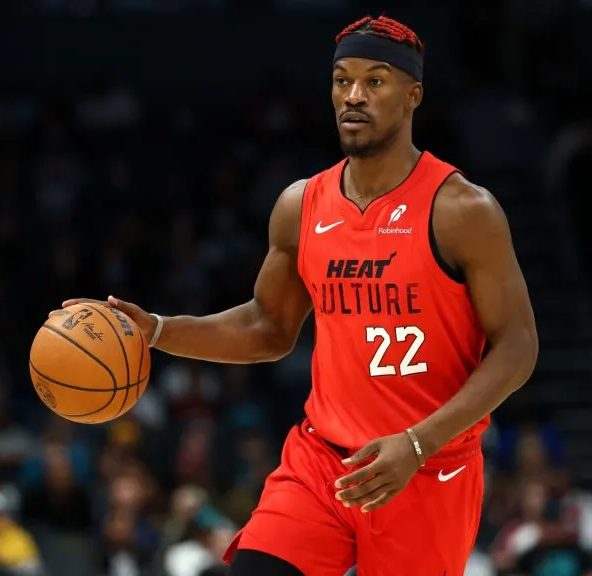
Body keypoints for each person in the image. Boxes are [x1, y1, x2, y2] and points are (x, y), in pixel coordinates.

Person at [59, 15, 538, 576]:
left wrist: (416, 442)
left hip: (428, 467)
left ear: (413, 96)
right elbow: (267, 327)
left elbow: (518, 348)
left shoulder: (462, 211)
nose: (353, 96)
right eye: (341, 80)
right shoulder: (301, 205)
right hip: (322, 461)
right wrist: (159, 330)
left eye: (375, 81)